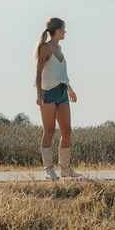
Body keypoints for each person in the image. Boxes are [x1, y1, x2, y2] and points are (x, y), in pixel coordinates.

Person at [34, 17, 81, 180]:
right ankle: (48, 170)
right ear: (57, 30)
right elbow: (38, 72)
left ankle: (65, 168)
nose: (65, 32)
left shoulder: (59, 48)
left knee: (66, 131)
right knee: (49, 131)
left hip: (62, 92)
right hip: (48, 92)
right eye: (63, 29)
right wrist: (39, 94)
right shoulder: (45, 48)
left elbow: (61, 74)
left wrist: (70, 89)